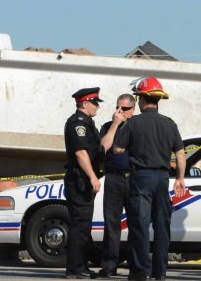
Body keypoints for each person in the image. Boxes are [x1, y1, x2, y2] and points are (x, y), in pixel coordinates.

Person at [113, 76, 186, 281]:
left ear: (142, 100)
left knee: (140, 225)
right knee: (162, 226)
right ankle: (160, 271)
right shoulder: (170, 124)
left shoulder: (133, 123)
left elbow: (117, 149)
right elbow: (180, 155)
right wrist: (180, 178)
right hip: (162, 179)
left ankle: (140, 272)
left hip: (140, 178)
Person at [64, 87, 124, 279]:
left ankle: (80, 266)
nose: (97, 106)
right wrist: (92, 176)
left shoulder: (89, 124)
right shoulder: (77, 124)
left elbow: (101, 149)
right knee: (79, 227)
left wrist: (115, 125)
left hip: (85, 182)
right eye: (94, 102)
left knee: (84, 226)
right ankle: (75, 269)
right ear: (84, 103)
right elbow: (81, 153)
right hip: (79, 181)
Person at [98, 93, 136, 277]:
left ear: (133, 110)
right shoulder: (107, 126)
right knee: (112, 223)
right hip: (114, 178)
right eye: (117, 108)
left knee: (136, 223)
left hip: (134, 178)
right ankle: (109, 264)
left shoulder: (137, 126)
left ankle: (134, 264)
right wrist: (114, 124)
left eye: (125, 109)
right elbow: (103, 148)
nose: (120, 112)